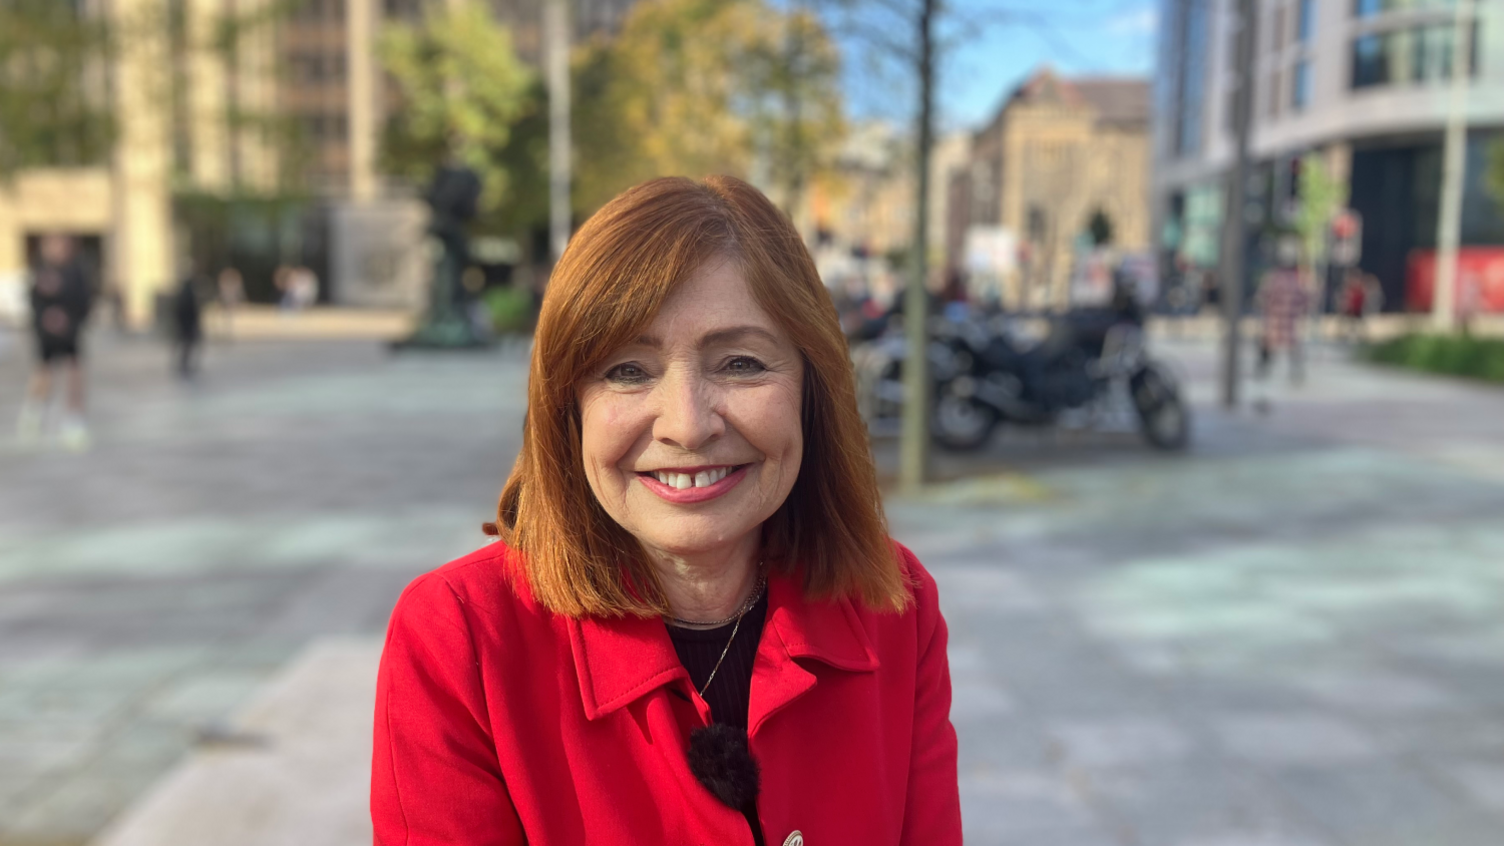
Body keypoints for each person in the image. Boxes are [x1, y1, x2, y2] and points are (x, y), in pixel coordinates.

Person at [372, 176, 961, 846]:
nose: (686, 424)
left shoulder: (893, 605)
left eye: (740, 363)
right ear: (567, 409)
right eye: (627, 370)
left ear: (812, 387)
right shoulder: (460, 642)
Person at [17, 234, 95, 449]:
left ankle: (74, 421)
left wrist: (68, 319)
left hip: (70, 334)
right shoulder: (40, 272)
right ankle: (33, 414)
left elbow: (84, 301)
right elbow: (33, 302)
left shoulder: (76, 272)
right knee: (44, 373)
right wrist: (46, 319)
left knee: (74, 374)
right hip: (47, 335)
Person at [1253, 234, 1311, 410]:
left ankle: (1264, 370)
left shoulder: (1273, 278)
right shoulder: (1296, 280)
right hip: (1289, 321)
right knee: (1291, 346)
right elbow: (1305, 299)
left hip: (1274, 320)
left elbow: (1262, 298)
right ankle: (1294, 373)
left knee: (1270, 346)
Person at [171, 267, 203, 380]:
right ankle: (183, 365)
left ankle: (183, 365)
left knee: (185, 345)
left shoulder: (184, 292)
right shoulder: (188, 292)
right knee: (186, 345)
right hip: (187, 324)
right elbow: (190, 310)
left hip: (185, 323)